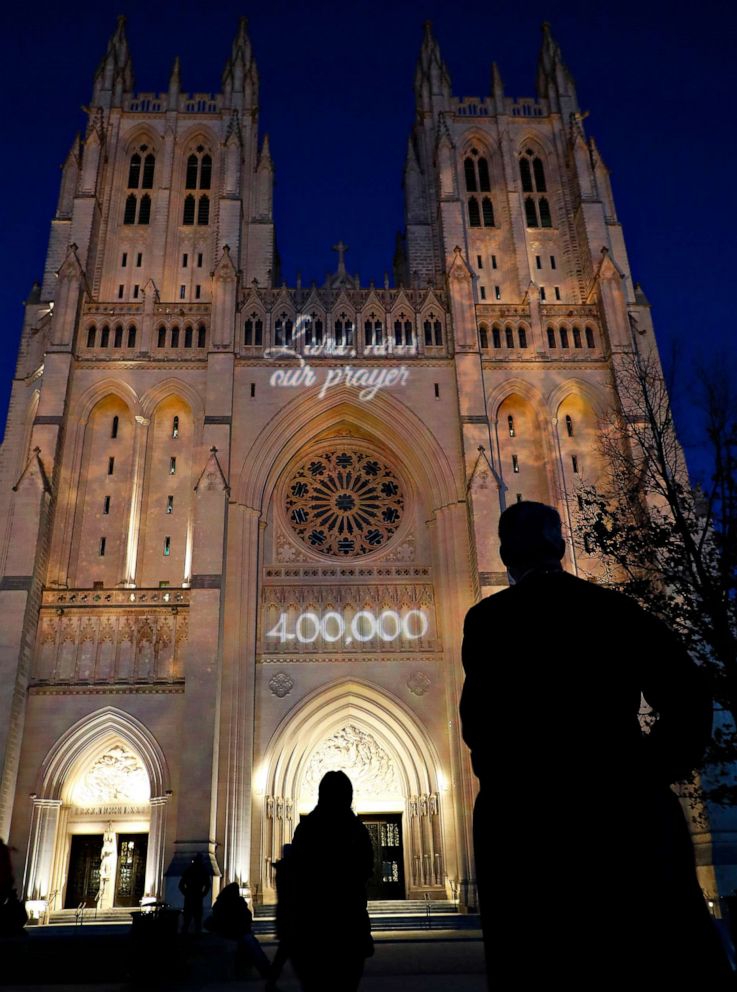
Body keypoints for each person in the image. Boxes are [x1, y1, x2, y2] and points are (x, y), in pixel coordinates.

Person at [460, 500, 732, 989]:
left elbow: (477, 724)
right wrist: (647, 773)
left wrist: (512, 787)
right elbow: (689, 695)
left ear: (505, 557)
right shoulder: (614, 610)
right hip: (622, 818)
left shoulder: (489, 621)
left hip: (531, 832)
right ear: (561, 547)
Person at [285, 771, 374, 992]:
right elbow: (366, 870)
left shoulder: (306, 828)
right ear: (349, 795)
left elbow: (296, 871)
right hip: (349, 924)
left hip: (313, 927)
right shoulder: (357, 830)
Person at [205, 881, 271, 979]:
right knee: (250, 942)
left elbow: (247, 917)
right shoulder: (226, 904)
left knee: (251, 942)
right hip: (232, 933)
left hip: (237, 933)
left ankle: (264, 968)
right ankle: (265, 969)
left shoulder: (231, 903)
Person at [179, 852, 211, 935]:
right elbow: (208, 885)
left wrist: (186, 893)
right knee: (197, 919)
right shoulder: (203, 871)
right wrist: (203, 894)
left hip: (191, 896)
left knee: (188, 919)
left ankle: (185, 935)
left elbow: (181, 885)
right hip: (197, 896)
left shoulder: (190, 870)